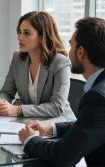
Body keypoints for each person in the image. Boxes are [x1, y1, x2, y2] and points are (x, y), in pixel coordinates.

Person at [18, 17, 105, 166]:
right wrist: (51, 129)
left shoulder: (98, 98)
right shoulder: (99, 89)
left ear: (80, 52)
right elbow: (89, 124)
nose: (68, 52)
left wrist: (30, 139)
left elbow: (62, 155)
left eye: (71, 46)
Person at [0, 11, 74, 118]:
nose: (20, 37)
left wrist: (18, 109)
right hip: (30, 123)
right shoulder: (17, 58)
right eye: (19, 32)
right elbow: (6, 92)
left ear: (42, 36)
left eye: (26, 33)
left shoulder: (60, 62)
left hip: (58, 124)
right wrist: (0, 103)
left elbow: (56, 107)